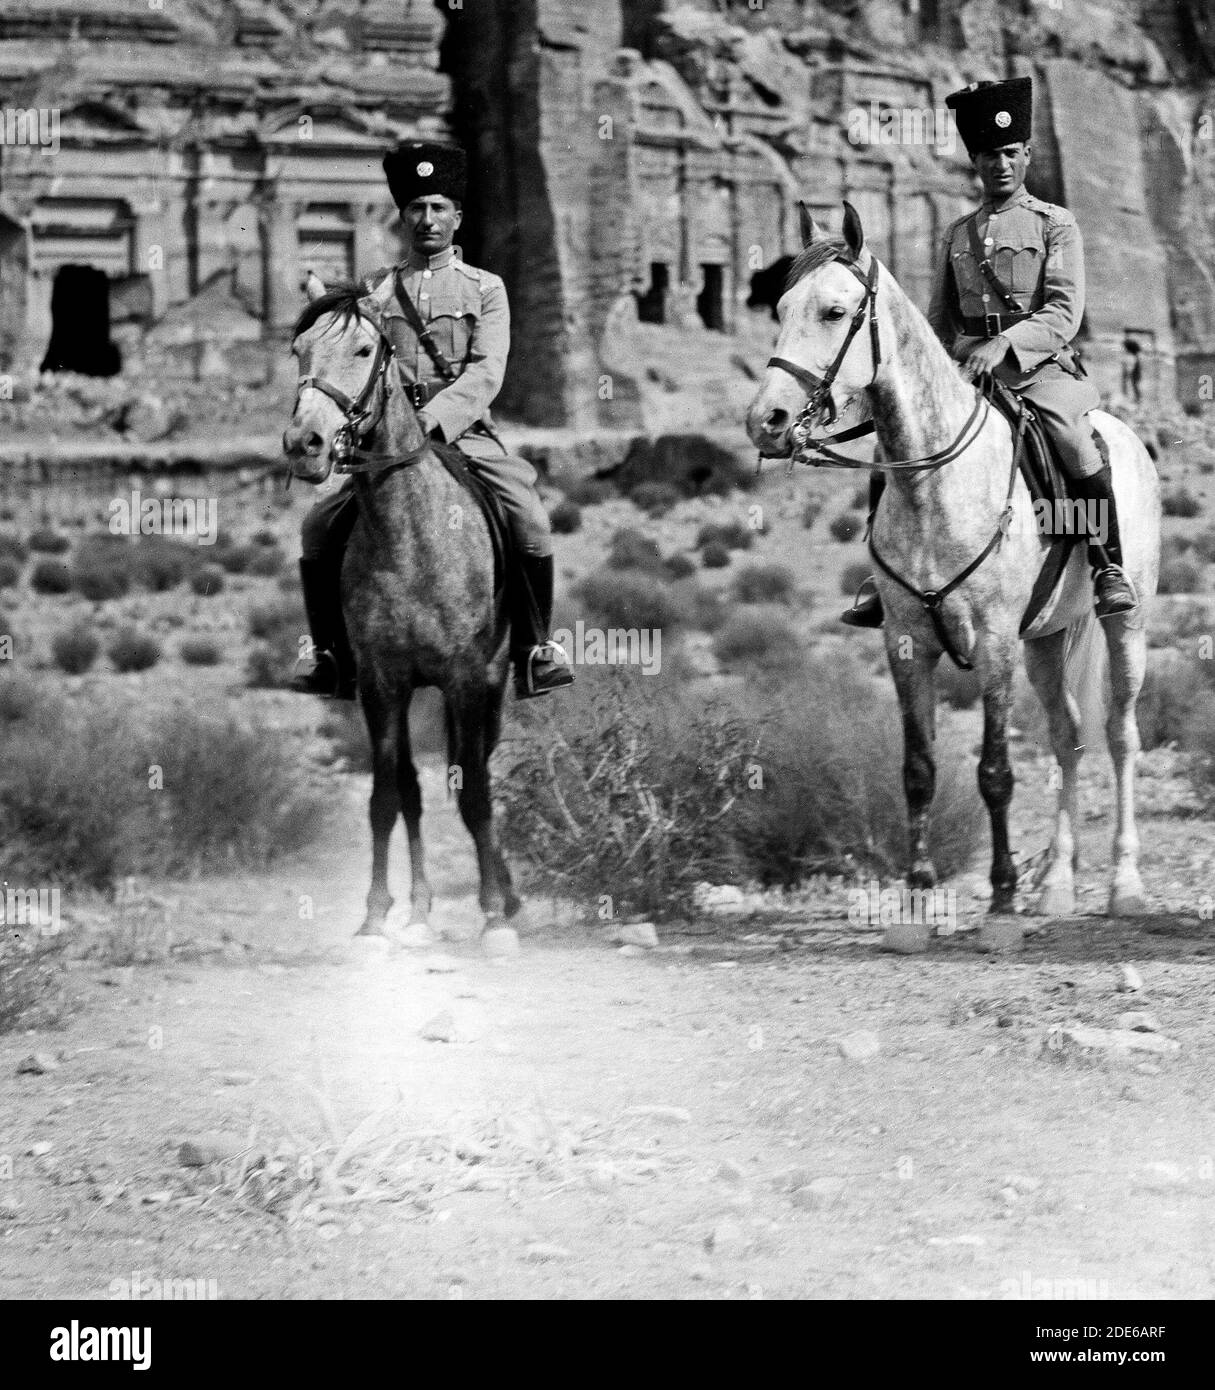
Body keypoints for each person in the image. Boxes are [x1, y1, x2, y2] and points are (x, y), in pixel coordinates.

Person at [841, 76, 1138, 628]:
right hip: (966, 374)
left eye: (1009, 153)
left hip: (1039, 372)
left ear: (1025, 154)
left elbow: (1064, 314)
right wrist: (927, 369)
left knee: (1071, 440)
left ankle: (1107, 567)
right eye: (987, 155)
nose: (999, 165)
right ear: (975, 160)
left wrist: (1004, 342)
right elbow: (937, 320)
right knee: (893, 446)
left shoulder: (1056, 224)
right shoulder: (957, 234)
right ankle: (885, 578)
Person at [292, 140, 574, 700]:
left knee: (532, 520)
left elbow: (486, 373)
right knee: (317, 529)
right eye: (417, 208)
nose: (428, 219)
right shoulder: (375, 291)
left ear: (457, 217)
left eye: (439, 207)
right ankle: (328, 654)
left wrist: (432, 419)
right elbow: (348, 357)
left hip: (465, 437)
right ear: (403, 217)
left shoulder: (485, 288)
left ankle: (535, 648)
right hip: (389, 446)